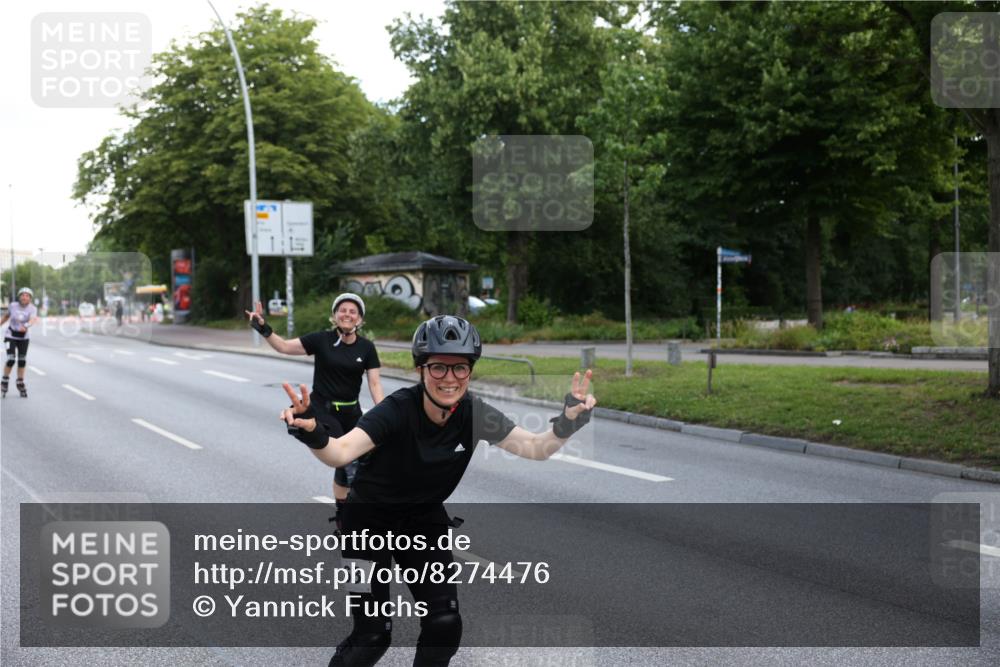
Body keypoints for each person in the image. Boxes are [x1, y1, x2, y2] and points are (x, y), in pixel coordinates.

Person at [280, 315, 596, 667]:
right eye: (438, 368)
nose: (450, 378)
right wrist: (311, 431)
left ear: (470, 370)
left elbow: (537, 448)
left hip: (422, 520)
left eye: (460, 368)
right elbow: (339, 453)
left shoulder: (475, 413)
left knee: (444, 625)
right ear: (421, 369)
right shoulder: (397, 409)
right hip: (365, 522)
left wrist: (568, 422)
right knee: (372, 637)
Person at [249, 293, 384, 510]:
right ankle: (348, 513)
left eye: (352, 311)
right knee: (346, 459)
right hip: (324, 409)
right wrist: (263, 328)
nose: (347, 314)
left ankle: (345, 510)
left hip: (352, 412)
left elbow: (375, 384)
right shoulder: (321, 340)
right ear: (334, 315)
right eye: (343, 310)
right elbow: (283, 346)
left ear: (360, 319)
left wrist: (384, 412)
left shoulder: (366, 348)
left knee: (364, 458)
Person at [1, 288, 40, 398]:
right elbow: (6, 316)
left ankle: (20, 381)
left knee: (22, 360)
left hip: (24, 338)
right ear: (19, 297)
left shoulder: (32, 308)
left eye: (27, 296)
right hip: (10, 336)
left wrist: (26, 326)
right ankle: (4, 380)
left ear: (30, 298)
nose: (24, 297)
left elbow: (33, 319)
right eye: (22, 295)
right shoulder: (13, 306)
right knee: (11, 358)